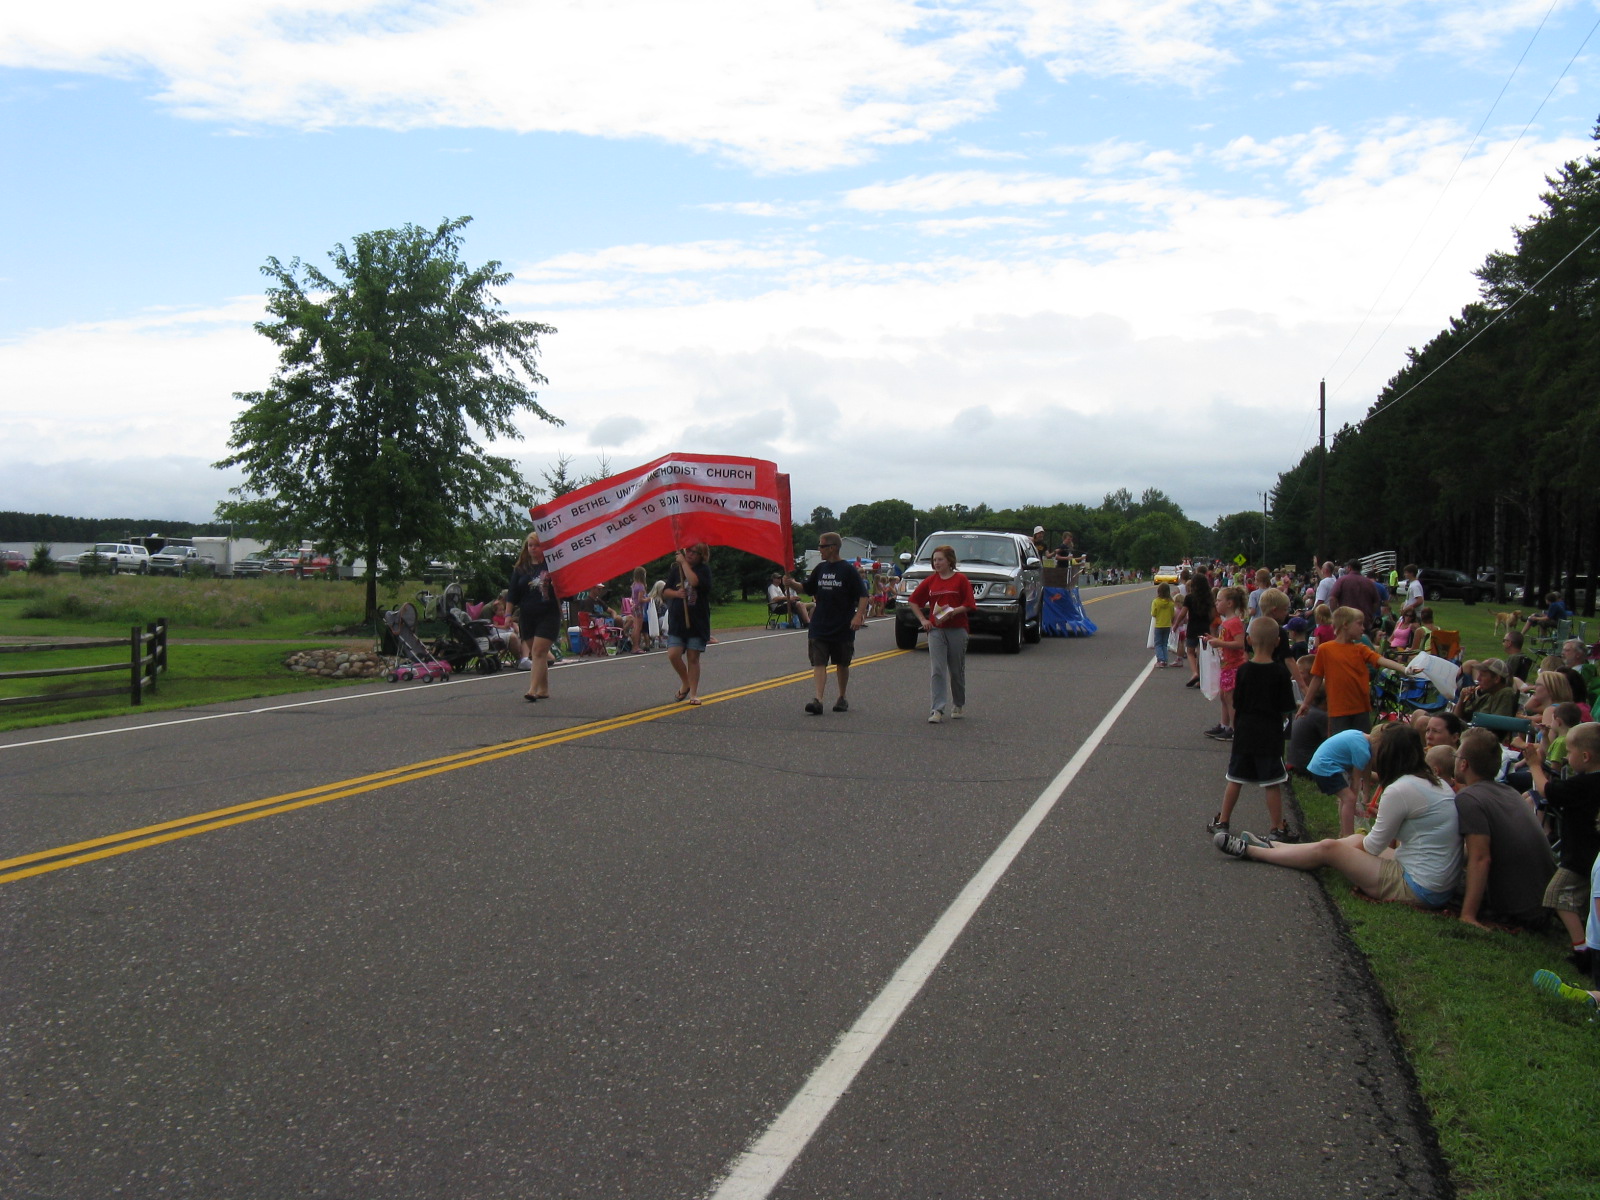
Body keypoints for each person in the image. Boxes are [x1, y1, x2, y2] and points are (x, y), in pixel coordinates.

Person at [1215, 724, 1462, 911]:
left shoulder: (1400, 790)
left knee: (1331, 849)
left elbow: (1374, 847)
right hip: (1432, 881)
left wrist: (1355, 841)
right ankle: (1275, 846)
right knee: (1352, 840)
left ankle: (1252, 851)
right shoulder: (1434, 782)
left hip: (1418, 887)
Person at [1453, 727, 1557, 929]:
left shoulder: (1470, 798)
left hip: (1520, 909)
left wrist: (1468, 915)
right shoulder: (1507, 791)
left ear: (1464, 764)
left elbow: (1480, 858)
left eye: (1457, 755)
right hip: (1545, 901)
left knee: (1438, 884)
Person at [1206, 616, 1295, 841]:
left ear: (1248, 640)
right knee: (1272, 782)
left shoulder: (1244, 671)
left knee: (1235, 777)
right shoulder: (1281, 673)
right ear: (1277, 641)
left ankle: (1223, 820)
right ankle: (1277, 828)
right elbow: (1286, 708)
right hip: (1270, 734)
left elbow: (1239, 703)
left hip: (1245, 732)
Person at [1525, 722, 1600, 965]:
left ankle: (1583, 950)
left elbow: (1548, 791)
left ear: (1586, 756)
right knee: (1588, 901)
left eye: (1569, 752)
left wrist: (1535, 765)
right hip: (1592, 856)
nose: (1566, 758)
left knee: (1556, 894)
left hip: (1579, 856)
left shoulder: (1585, 784)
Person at [1297, 606, 1413, 737]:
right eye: (1359, 624)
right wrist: (1306, 703)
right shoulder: (1325, 649)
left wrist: (1404, 669)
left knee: (1363, 744)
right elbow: (1317, 678)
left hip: (1361, 709)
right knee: (1340, 745)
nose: (1363, 628)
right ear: (1345, 624)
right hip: (1338, 710)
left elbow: (1380, 660)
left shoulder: (1360, 649)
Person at [788, 531, 869, 715]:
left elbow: (864, 595)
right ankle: (818, 699)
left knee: (842, 663)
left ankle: (841, 697)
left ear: (832, 548)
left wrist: (858, 616)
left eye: (822, 546)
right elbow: (807, 588)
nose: (819, 549)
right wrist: (792, 584)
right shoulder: (821, 568)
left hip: (842, 624)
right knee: (819, 661)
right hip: (820, 623)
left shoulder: (848, 570)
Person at [908, 544, 977, 723]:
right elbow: (914, 601)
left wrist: (953, 611)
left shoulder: (960, 580)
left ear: (949, 561)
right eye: (934, 560)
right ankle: (937, 709)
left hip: (957, 628)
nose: (936, 563)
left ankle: (958, 704)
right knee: (937, 669)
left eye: (940, 560)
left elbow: (969, 604)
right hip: (936, 630)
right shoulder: (931, 581)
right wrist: (923, 620)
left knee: (956, 670)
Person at [508, 532, 560, 703]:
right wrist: (508, 614)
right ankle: (544, 689)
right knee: (539, 654)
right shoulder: (521, 568)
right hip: (527, 615)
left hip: (548, 613)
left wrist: (556, 585)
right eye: (530, 545)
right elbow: (512, 593)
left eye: (536, 545)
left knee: (538, 651)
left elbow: (565, 588)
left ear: (543, 547)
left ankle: (532, 689)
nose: (532, 548)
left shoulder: (552, 566)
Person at [663, 543, 711, 705]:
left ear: (701, 556)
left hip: (697, 621)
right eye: (688, 551)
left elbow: (695, 582)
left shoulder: (703, 570)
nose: (689, 554)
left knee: (693, 657)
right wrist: (676, 593)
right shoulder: (675, 571)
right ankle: (686, 681)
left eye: (694, 552)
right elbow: (665, 591)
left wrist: (684, 563)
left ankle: (694, 694)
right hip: (678, 621)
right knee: (673, 654)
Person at [1204, 586, 1247, 741]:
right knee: (1223, 696)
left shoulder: (1234, 622)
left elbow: (1240, 644)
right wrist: (1213, 640)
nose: (1216, 603)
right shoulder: (1226, 622)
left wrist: (1220, 643)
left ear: (1229, 603)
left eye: (1219, 600)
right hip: (1226, 664)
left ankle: (1236, 729)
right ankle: (1224, 725)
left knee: (1230, 698)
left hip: (1234, 665)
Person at [1175, 569, 1214, 687]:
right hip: (1205, 627)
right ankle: (1200, 678)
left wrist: (1176, 624)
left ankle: (1194, 673)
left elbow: (1182, 613)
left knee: (1190, 651)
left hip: (1192, 627)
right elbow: (1212, 614)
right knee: (1202, 652)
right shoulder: (1209, 598)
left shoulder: (1190, 598)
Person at [1453, 658, 1519, 723]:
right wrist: (1462, 700)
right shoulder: (1488, 693)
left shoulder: (1506, 693)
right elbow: (1455, 720)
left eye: (1482, 675)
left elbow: (1496, 725)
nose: (1478, 679)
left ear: (1496, 679)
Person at [1150, 583, 1175, 669]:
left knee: (1158, 643)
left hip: (1159, 625)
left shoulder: (1156, 602)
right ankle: (1165, 659)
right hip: (1167, 625)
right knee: (1164, 643)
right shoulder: (1171, 603)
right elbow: (1172, 614)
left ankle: (1160, 660)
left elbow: (1153, 613)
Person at [628, 566, 651, 653]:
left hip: (634, 607)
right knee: (638, 628)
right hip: (639, 608)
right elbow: (640, 599)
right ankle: (636, 647)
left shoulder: (634, 585)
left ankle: (634, 646)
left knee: (635, 627)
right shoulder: (641, 586)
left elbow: (634, 598)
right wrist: (648, 599)